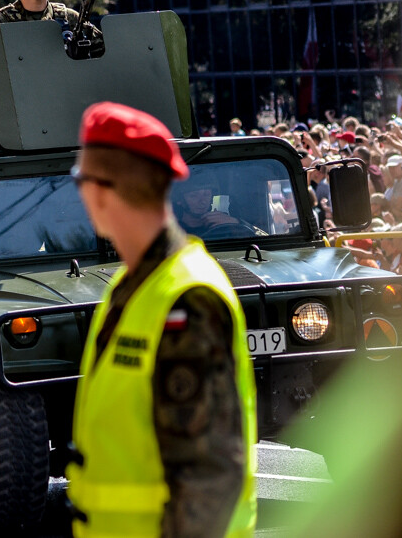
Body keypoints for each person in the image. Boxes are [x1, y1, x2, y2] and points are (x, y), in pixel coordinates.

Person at [66, 101, 257, 537]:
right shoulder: (135, 285)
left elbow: (209, 476)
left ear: (99, 189)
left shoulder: (184, 298)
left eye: (79, 179)